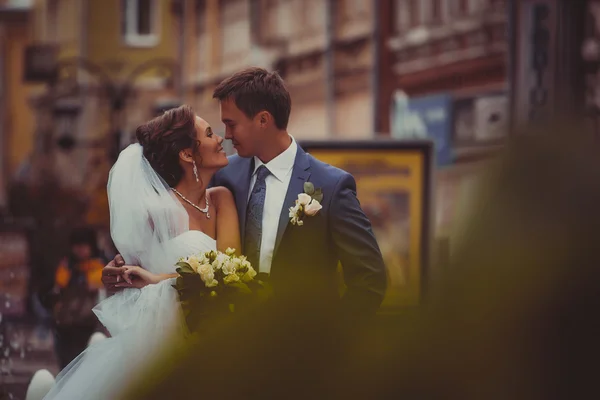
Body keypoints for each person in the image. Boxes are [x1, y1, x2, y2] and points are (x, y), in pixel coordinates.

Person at [104, 67, 387, 317]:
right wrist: (122, 268)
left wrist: (335, 342)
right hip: (229, 345)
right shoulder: (225, 177)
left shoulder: (331, 185)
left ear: (263, 120)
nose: (226, 136)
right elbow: (188, 241)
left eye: (231, 124)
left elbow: (369, 279)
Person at [43, 105, 236, 399]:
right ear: (187, 154)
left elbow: (230, 270)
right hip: (165, 341)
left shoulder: (222, 199)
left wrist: (156, 278)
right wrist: (116, 274)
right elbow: (131, 280)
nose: (220, 138)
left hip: (219, 335)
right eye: (210, 134)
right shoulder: (154, 213)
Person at [51, 227, 105, 369]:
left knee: (84, 362)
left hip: (87, 324)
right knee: (66, 363)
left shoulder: (98, 266)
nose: (79, 250)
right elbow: (59, 287)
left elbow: (95, 286)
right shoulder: (67, 265)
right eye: (76, 246)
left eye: (83, 246)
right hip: (65, 325)